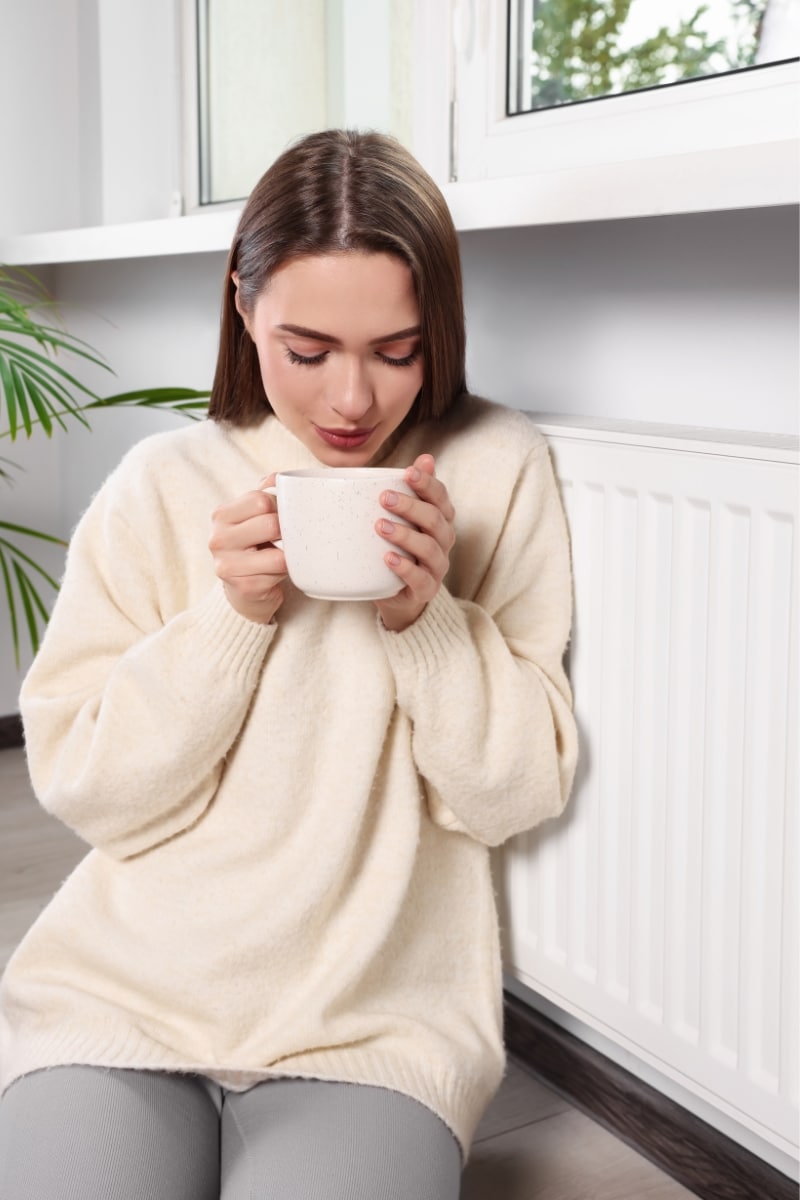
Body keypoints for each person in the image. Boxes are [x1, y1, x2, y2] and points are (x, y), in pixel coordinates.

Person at [0, 129, 578, 1200]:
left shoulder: (497, 471)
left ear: (439, 330)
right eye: (306, 350)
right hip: (122, 993)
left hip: (368, 1016)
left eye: (396, 351)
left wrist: (429, 621)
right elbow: (90, 792)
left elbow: (511, 794)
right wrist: (229, 620)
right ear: (242, 306)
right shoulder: (159, 483)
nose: (351, 401)